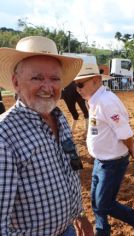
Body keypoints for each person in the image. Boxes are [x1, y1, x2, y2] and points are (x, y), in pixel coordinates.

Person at [0, 35, 93, 235]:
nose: (48, 87)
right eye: (37, 78)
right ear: (16, 83)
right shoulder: (4, 135)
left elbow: (71, 172)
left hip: (68, 229)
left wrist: (80, 215)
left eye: (54, 78)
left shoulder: (60, 119)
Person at [74, 62, 134, 236]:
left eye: (80, 84)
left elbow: (125, 132)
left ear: (96, 80)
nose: (77, 89)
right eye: (75, 85)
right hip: (101, 160)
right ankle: (102, 231)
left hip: (113, 161)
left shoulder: (106, 102)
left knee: (103, 203)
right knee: (96, 201)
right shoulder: (95, 100)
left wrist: (131, 152)